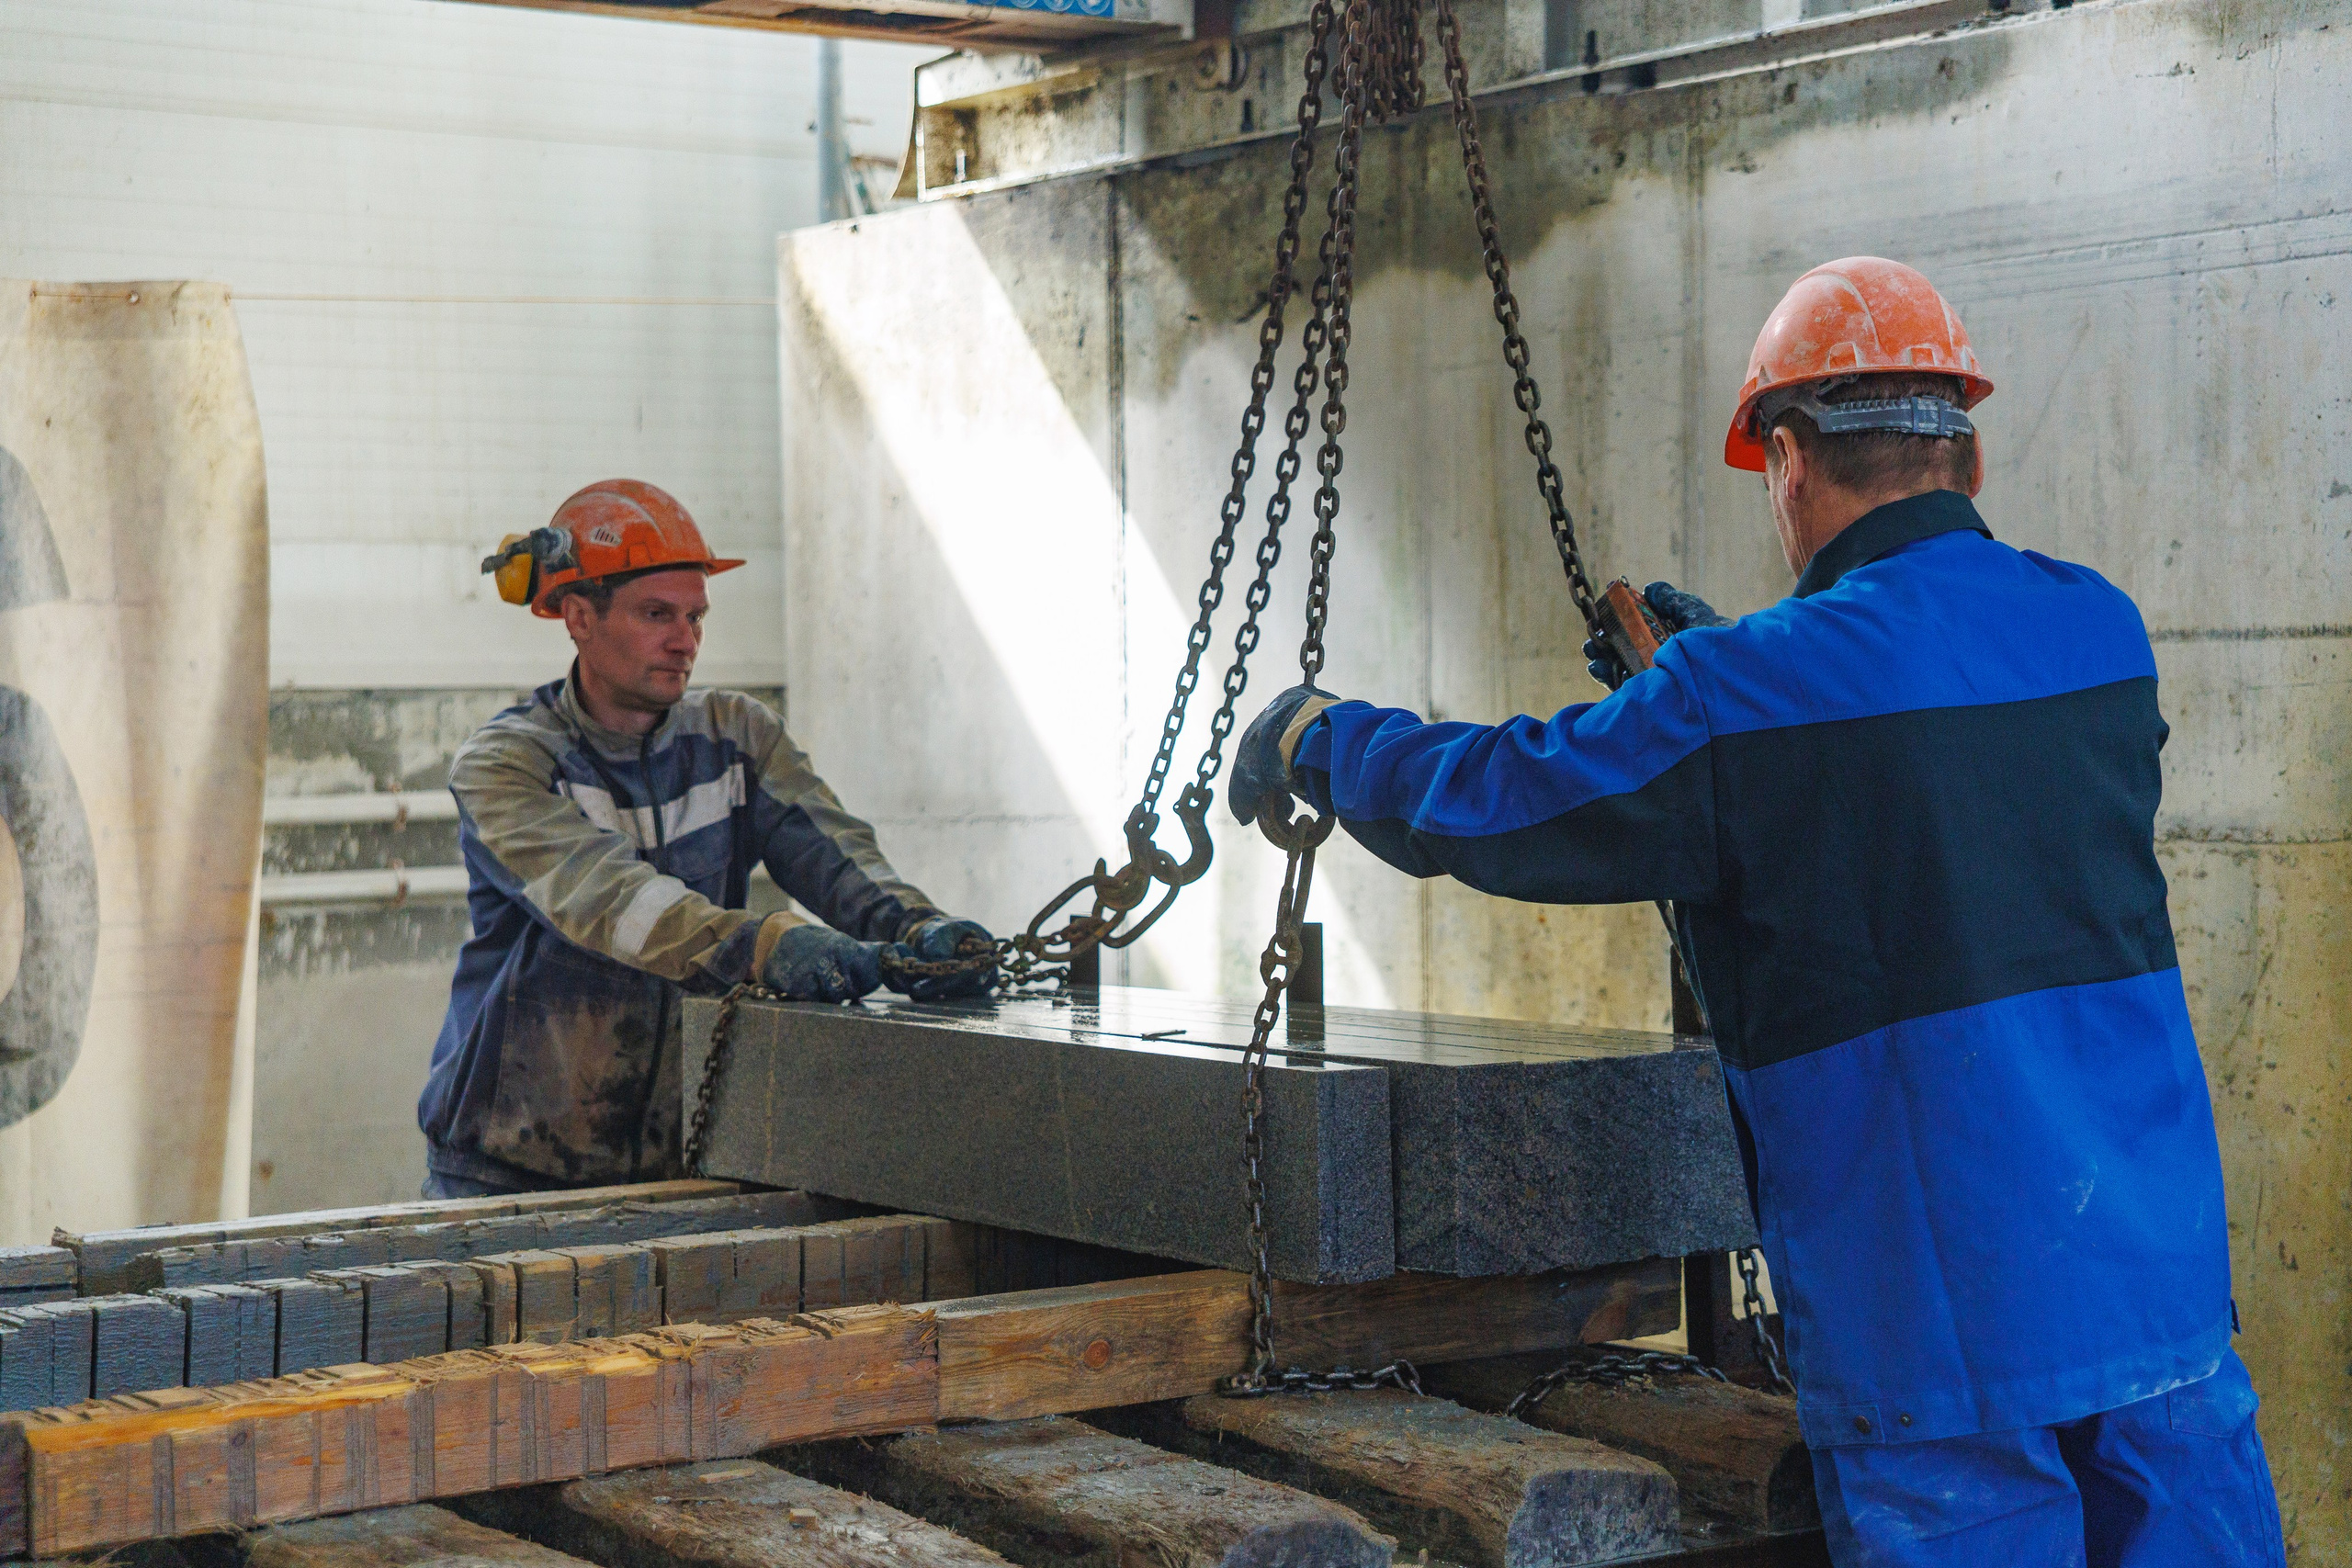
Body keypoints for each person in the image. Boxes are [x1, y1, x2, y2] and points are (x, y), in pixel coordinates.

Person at [1228, 259, 2284, 1566]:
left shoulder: (1742, 696)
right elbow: (1937, 804)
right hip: (2155, 1297)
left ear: (1788, 458)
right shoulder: (2100, 633)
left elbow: (1508, 801)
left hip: (1939, 1329)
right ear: (1969, 445)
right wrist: (1725, 701)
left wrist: (1329, 740)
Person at [416, 479, 994, 1198]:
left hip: (682, 1165)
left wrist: (918, 927)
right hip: (508, 1173)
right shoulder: (507, 766)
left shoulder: (736, 738)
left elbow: (838, 857)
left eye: (695, 616)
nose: (685, 640)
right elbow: (614, 903)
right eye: (656, 613)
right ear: (577, 616)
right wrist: (763, 946)